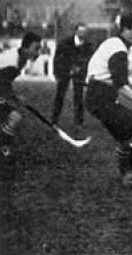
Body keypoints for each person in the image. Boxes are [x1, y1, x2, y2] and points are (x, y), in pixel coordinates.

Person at [85, 12, 132, 191]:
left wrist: (125, 86)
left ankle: (127, 173)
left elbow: (107, 77)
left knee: (125, 138)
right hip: (101, 98)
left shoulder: (113, 43)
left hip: (97, 96)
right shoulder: (119, 50)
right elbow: (120, 85)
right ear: (125, 29)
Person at [0, 32, 42, 172]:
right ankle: (4, 147)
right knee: (14, 117)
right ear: (25, 48)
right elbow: (3, 84)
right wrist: (15, 97)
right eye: (36, 48)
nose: (38, 52)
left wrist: (13, 96)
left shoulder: (21, 59)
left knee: (14, 117)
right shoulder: (13, 62)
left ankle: (4, 147)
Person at [51, 23, 92, 125]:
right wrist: (56, 72)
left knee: (78, 97)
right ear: (76, 31)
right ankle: (54, 119)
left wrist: (82, 69)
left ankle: (79, 121)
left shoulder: (88, 45)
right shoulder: (65, 43)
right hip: (64, 72)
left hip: (79, 74)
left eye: (84, 31)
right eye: (80, 31)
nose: (82, 33)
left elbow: (89, 60)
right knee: (60, 95)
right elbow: (57, 58)